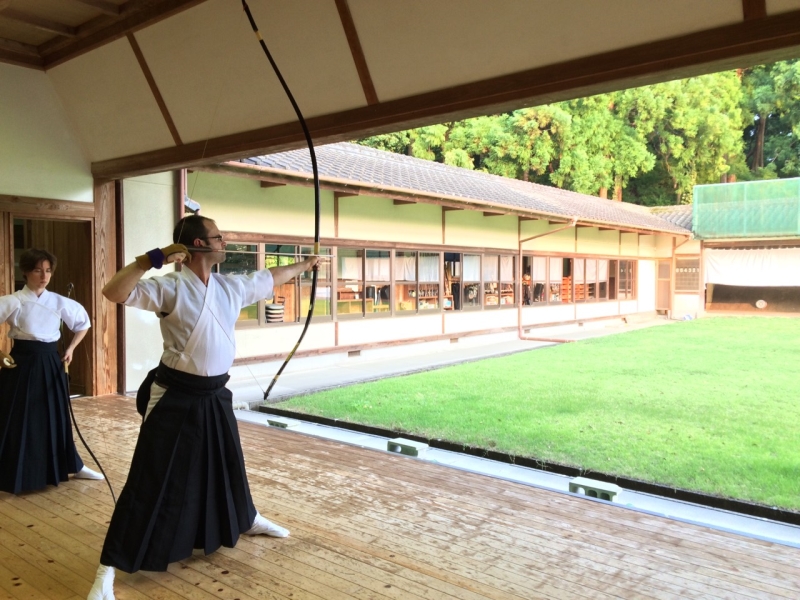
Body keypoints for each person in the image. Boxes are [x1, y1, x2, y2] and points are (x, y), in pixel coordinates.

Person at [88, 215, 318, 600]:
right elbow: (114, 292)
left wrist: (305, 265)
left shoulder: (230, 286)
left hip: (215, 394)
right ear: (197, 245)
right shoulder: (171, 287)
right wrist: (151, 259)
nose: (224, 242)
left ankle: (247, 518)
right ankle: (106, 570)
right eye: (217, 237)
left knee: (229, 463)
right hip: (176, 395)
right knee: (150, 479)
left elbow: (271, 277)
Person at [0, 248, 103, 494]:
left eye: (47, 270)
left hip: (50, 362)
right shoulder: (14, 300)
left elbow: (83, 323)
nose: (44, 276)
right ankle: (10, 470)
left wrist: (71, 349)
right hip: (21, 363)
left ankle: (73, 465)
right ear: (26, 272)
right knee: (17, 416)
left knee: (56, 415)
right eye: (38, 270)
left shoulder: (58, 301)